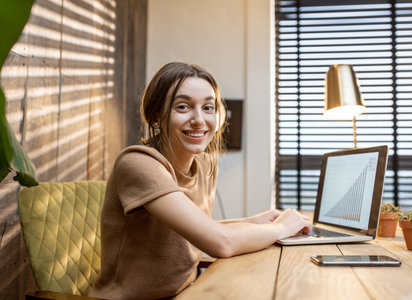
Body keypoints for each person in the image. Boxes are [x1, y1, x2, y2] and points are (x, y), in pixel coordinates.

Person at [89, 62, 312, 299]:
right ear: (156, 117)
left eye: (208, 107)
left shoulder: (204, 164)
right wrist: (281, 228)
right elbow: (220, 243)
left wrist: (255, 221)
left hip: (186, 293)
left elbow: (198, 231)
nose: (199, 119)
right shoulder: (138, 163)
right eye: (183, 107)